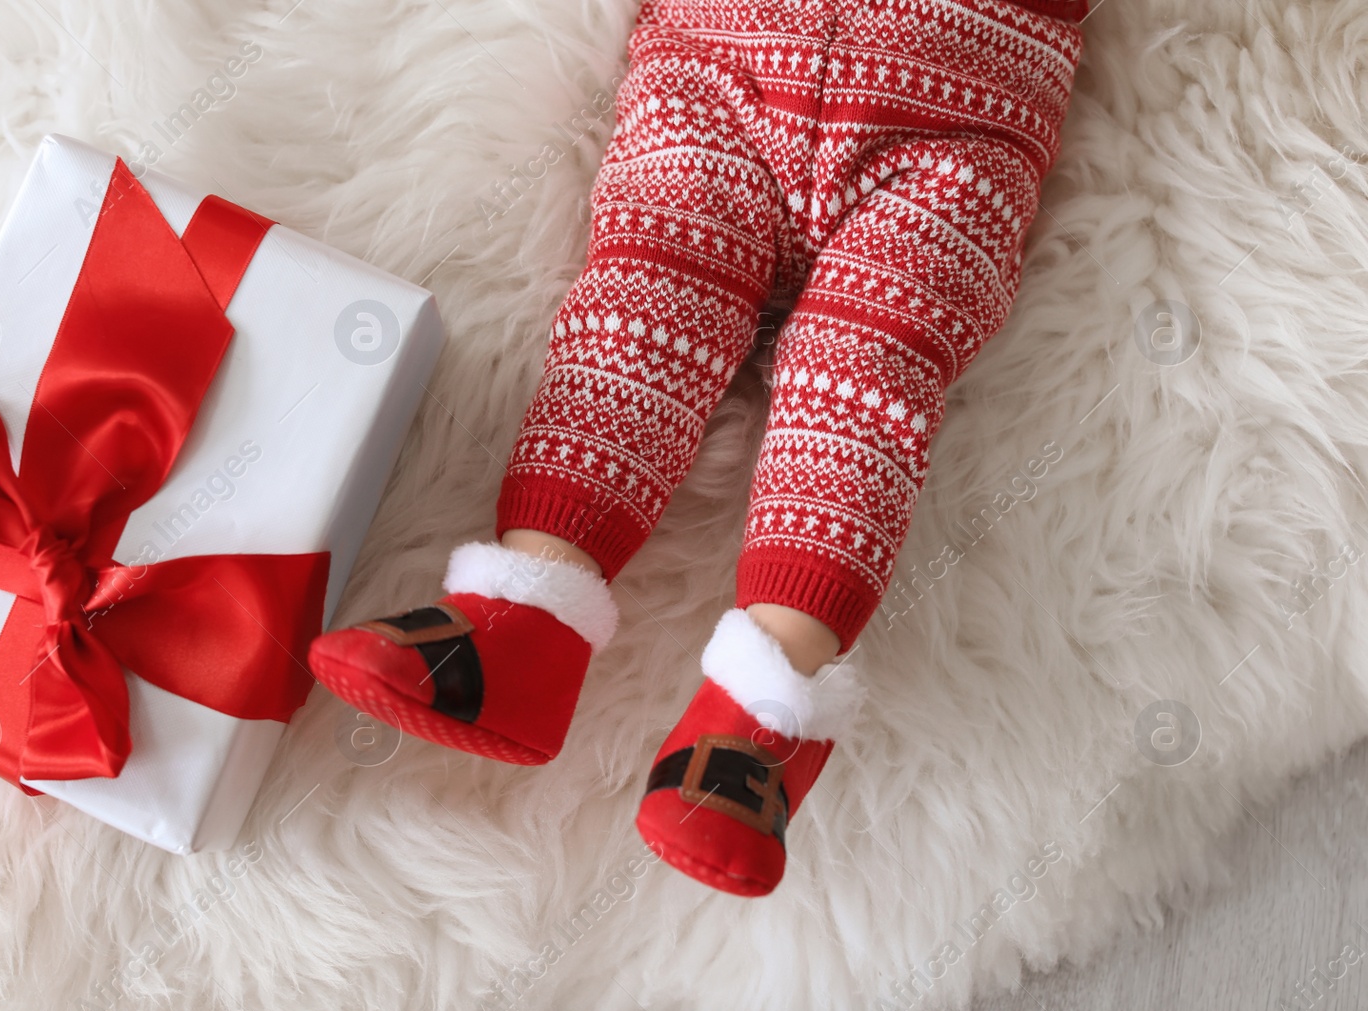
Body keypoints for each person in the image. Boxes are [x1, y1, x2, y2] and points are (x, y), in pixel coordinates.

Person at [308, 0, 1088, 896]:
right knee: (643, 298)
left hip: (956, 119)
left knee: (866, 370)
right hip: (721, 71)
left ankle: (758, 721)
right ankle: (518, 625)